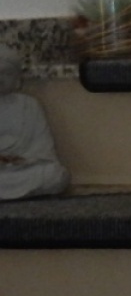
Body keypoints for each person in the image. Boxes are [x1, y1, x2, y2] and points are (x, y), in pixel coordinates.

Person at [0, 44, 69, 200]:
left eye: (6, 73)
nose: (0, 79)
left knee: (55, 175)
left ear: (17, 79)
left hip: (22, 168)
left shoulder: (29, 105)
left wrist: (24, 160)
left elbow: (43, 148)